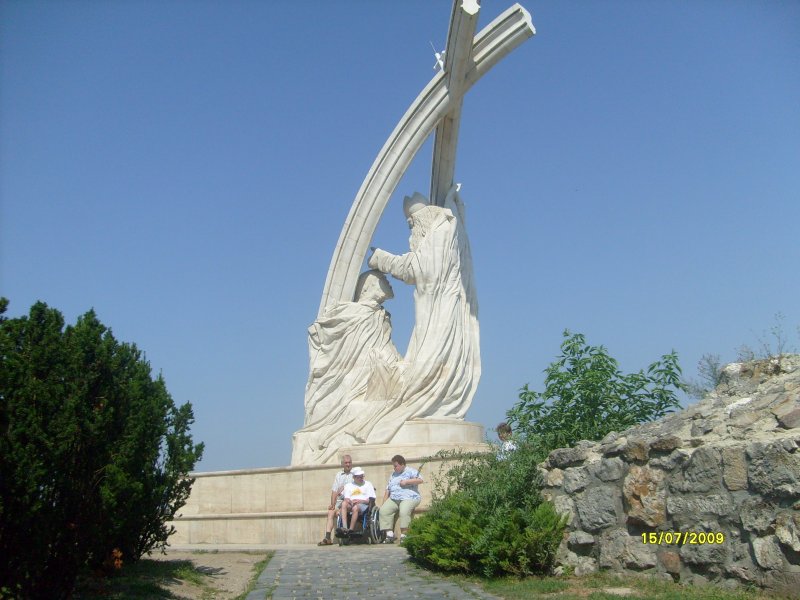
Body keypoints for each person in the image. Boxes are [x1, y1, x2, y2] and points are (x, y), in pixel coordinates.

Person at [361, 185, 480, 444]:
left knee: (428, 367)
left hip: (440, 314)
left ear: (421, 219)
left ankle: (425, 403)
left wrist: (380, 259)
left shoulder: (439, 234)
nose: (411, 232)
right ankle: (432, 401)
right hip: (439, 309)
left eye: (411, 225)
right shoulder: (447, 230)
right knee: (430, 365)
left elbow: (415, 269)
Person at [292, 270, 401, 465]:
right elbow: (321, 331)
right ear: (367, 287)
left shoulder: (382, 316)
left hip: (379, 371)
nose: (388, 281)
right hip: (357, 378)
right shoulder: (352, 313)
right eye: (382, 279)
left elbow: (387, 349)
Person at [379, 455, 423, 543]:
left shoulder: (410, 471)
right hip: (394, 498)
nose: (394, 468)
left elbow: (420, 480)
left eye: (396, 466)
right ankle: (389, 534)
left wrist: (407, 482)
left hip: (409, 497)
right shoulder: (393, 475)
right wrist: (384, 503)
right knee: (384, 510)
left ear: (402, 464)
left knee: (404, 510)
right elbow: (388, 490)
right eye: (393, 466)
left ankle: (404, 535)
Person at [317, 455, 355, 546]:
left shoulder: (355, 474)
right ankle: (328, 537)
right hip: (339, 500)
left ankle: (345, 533)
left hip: (350, 501)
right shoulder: (339, 475)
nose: (348, 464)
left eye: (349, 462)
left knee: (340, 510)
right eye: (346, 463)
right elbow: (334, 491)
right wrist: (332, 504)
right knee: (330, 512)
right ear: (342, 464)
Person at [340, 467, 377, 532]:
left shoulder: (368, 484)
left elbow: (371, 499)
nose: (361, 478)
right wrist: (350, 501)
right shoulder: (348, 485)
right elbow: (346, 498)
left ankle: (351, 529)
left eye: (362, 476)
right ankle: (345, 527)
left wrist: (361, 501)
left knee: (355, 508)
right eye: (358, 477)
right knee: (344, 503)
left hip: (363, 505)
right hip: (351, 504)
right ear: (353, 477)